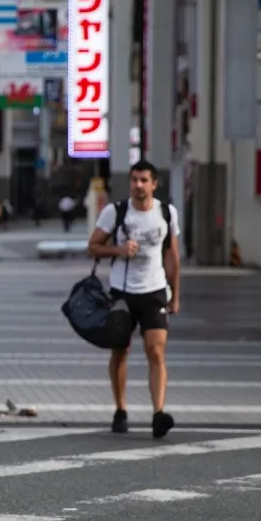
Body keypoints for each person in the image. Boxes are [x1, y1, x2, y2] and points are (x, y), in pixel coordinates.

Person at [87, 160, 181, 439]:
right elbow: (92, 247)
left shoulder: (166, 212)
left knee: (156, 351)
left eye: (144, 180)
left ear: (154, 184)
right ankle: (121, 409)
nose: (138, 185)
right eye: (134, 180)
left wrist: (175, 294)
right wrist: (118, 249)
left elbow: (173, 255)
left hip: (154, 291)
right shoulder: (114, 212)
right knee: (121, 351)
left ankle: (158, 413)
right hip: (122, 291)